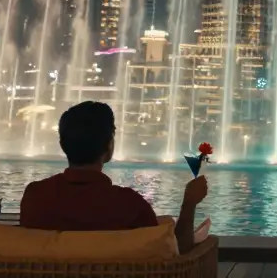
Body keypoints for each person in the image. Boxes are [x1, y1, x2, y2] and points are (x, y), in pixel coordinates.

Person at [21, 101, 208, 254]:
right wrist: (189, 203)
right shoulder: (129, 205)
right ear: (109, 147)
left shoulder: (34, 197)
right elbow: (177, 251)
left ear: (62, 145)